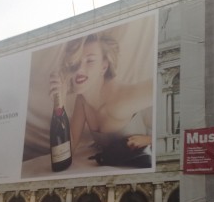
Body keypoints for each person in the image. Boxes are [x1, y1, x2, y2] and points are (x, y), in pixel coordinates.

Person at [49, 32, 153, 168]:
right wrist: (59, 103)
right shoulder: (82, 100)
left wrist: (150, 139)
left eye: (90, 60)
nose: (80, 69)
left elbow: (170, 87)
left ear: (104, 66)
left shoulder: (122, 99)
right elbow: (68, 149)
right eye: (75, 62)